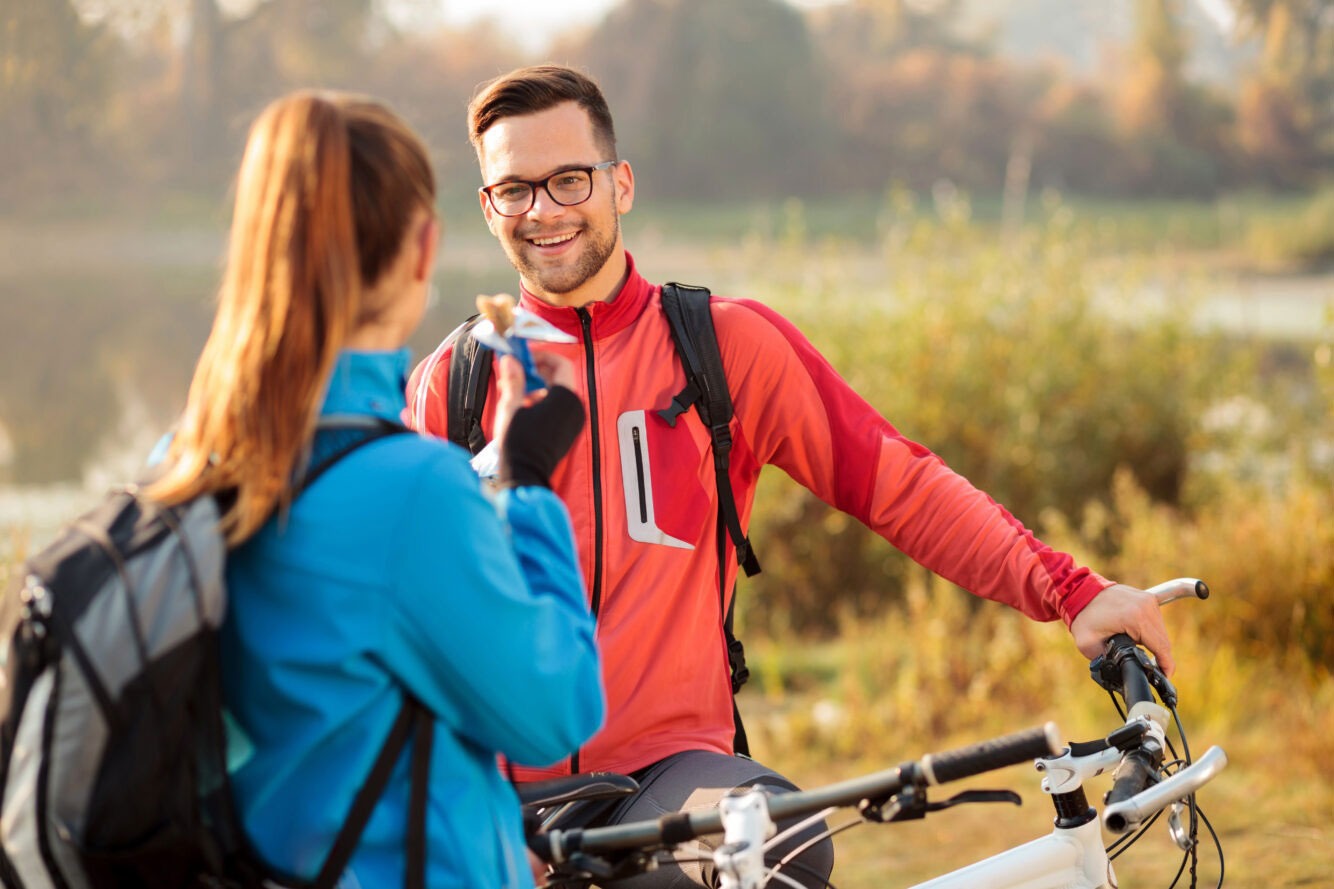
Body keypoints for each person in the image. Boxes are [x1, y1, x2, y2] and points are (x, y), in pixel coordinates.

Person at [406, 65, 1175, 887]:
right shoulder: (453, 385)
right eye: (514, 190)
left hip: (674, 775)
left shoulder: (722, 347)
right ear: (487, 209)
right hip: (503, 797)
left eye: (568, 180)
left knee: (777, 852)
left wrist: (1069, 589)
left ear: (620, 184)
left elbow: (898, 485)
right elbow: (407, 627)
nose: (545, 210)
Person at [145, 90, 602, 889]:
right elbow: (555, 710)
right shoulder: (409, 491)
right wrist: (528, 484)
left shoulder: (181, 460)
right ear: (423, 251)